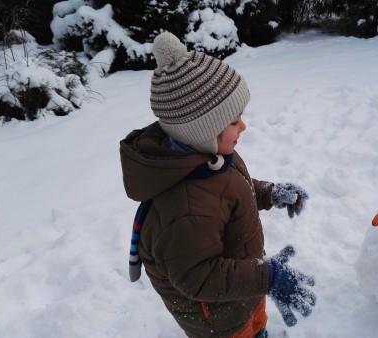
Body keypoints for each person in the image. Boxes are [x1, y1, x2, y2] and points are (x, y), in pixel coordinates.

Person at [119, 32, 316, 338]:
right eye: (234, 120)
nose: (244, 126)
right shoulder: (186, 207)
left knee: (255, 324)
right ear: (203, 130)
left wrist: (267, 193)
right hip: (220, 317)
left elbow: (229, 190)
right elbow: (199, 277)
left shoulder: (209, 157)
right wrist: (268, 277)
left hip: (243, 287)